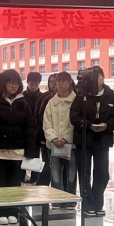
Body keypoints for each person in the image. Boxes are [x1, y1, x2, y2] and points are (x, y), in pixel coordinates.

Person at [0, 69, 36, 226]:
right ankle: (1, 212)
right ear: (3, 83)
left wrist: (30, 151)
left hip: (17, 152)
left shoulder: (23, 104)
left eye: (16, 83)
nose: (14, 86)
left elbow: (29, 129)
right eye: (11, 82)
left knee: (15, 185)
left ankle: (13, 211)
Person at [70, 66, 114, 217]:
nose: (96, 80)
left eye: (98, 76)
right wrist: (88, 125)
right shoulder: (82, 95)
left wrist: (107, 125)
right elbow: (74, 117)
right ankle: (89, 204)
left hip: (102, 140)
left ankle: (98, 203)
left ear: (103, 78)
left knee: (102, 174)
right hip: (85, 139)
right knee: (84, 173)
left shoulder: (111, 96)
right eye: (93, 77)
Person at [43, 71, 77, 210]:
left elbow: (75, 122)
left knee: (71, 173)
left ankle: (70, 199)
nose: (60, 84)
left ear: (69, 82)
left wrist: (65, 138)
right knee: (55, 173)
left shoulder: (76, 100)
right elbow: (46, 122)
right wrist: (53, 138)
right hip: (54, 144)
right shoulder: (51, 102)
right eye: (58, 81)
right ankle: (56, 199)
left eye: (63, 81)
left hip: (71, 144)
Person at [34, 74, 58, 186]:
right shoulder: (45, 98)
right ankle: (41, 186)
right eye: (51, 82)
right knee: (47, 164)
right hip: (46, 137)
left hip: (62, 138)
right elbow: (38, 116)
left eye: (55, 81)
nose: (53, 84)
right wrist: (43, 133)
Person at [23, 72, 43, 184]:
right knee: (22, 154)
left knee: (36, 155)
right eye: (31, 84)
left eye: (36, 84)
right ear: (27, 82)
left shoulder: (42, 97)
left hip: (37, 131)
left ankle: (35, 178)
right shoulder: (22, 96)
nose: (33, 86)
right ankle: (22, 176)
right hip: (23, 131)